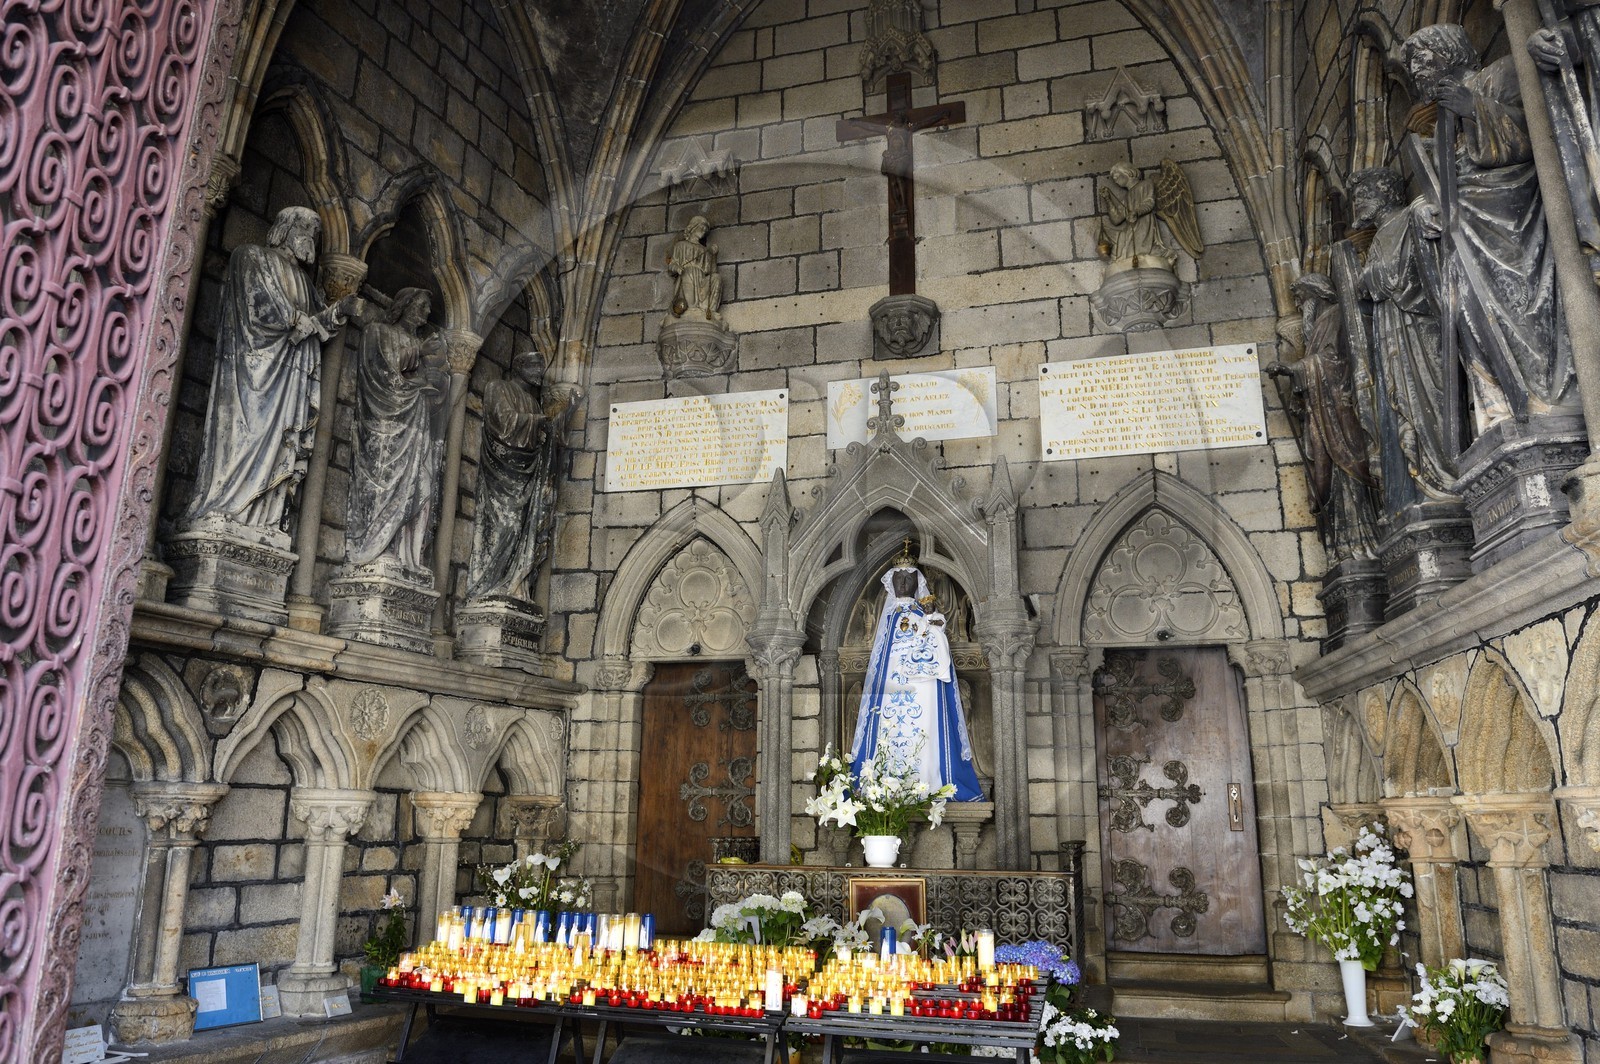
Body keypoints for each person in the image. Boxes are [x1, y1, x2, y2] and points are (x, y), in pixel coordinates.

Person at [1403, 23, 1572, 418]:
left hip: (1508, 220)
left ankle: (1549, 394)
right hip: (1462, 231)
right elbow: (1448, 181)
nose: (1417, 74)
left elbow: (1545, 134)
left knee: (1524, 310)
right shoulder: (1440, 120)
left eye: (1422, 61)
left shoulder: (1505, 74)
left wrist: (1474, 108)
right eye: (1411, 68)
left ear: (1449, 53)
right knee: (1465, 307)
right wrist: (1430, 207)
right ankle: (1497, 398)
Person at [184, 206, 348, 531]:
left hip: (291, 381)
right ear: (287, 229)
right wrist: (297, 322)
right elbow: (263, 311)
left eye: (315, 235)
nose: (311, 241)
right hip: (252, 373)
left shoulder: (303, 281)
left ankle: (266, 519)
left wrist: (337, 313)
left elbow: (316, 325)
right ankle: (227, 505)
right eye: (307, 232)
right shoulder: (250, 257)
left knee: (280, 448)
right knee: (243, 438)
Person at [848, 545, 984, 802]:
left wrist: (932, 620)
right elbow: (880, 658)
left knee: (926, 725)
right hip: (892, 684)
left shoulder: (926, 612)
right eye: (899, 578)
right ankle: (884, 783)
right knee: (885, 725)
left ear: (917, 582)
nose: (904, 583)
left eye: (909, 578)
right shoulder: (887, 618)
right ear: (892, 582)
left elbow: (937, 635)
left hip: (922, 683)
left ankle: (927, 780)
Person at [1267, 274, 1381, 562]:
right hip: (1324, 414)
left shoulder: (1334, 316)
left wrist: (1293, 369)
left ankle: (1361, 542)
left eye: (1302, 299)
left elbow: (1334, 362)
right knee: (1333, 482)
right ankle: (1344, 544)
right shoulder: (1321, 323)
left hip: (1340, 417)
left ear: (1317, 294)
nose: (1300, 305)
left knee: (1350, 475)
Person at [465, 351, 583, 603]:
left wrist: (567, 411)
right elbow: (505, 423)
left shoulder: (532, 402)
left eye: (541, 367)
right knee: (505, 528)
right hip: (503, 475)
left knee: (522, 531)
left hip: (527, 480)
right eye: (534, 366)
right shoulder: (499, 387)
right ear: (518, 366)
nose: (539, 372)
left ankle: (515, 585)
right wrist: (540, 420)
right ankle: (489, 588)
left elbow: (549, 436)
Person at [344, 288, 448, 570]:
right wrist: (419, 352)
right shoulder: (377, 332)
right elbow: (380, 371)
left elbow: (426, 388)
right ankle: (377, 550)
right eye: (422, 305)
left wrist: (437, 384)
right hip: (385, 426)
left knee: (421, 484)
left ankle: (407, 556)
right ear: (404, 304)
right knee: (383, 481)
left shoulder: (418, 343)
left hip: (416, 427)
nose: (427, 313)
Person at [665, 215, 722, 323]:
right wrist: (677, 268)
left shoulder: (704, 250)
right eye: (702, 227)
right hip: (687, 275)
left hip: (701, 280)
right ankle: (691, 308)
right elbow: (671, 265)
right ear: (693, 227)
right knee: (689, 271)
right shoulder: (681, 246)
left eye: (706, 229)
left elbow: (712, 272)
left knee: (716, 278)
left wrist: (714, 255)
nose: (704, 231)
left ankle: (709, 311)